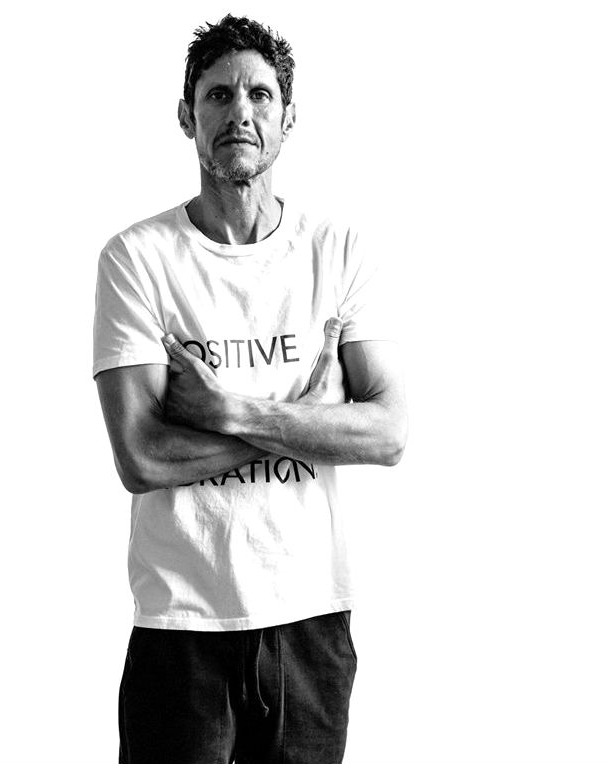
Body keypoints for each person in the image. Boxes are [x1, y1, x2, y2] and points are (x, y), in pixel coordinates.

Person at [92, 14, 407, 764]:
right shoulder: (138, 258)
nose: (241, 112)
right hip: (181, 623)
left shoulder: (338, 252)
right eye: (219, 95)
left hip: (311, 620)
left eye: (261, 95)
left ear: (289, 118)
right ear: (186, 115)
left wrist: (228, 411)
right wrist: (308, 422)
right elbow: (141, 457)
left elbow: (389, 433)